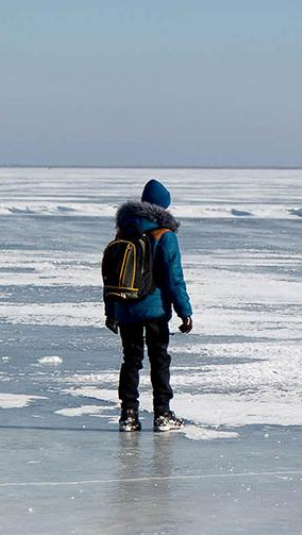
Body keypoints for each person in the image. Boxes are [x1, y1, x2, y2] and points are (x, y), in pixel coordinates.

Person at [104, 179, 194, 433]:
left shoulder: (124, 231)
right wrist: (184, 311)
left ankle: (128, 416)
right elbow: (173, 278)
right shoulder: (164, 235)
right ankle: (163, 414)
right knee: (159, 359)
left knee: (130, 360)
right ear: (164, 206)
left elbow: (110, 276)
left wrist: (111, 312)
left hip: (124, 308)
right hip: (154, 310)